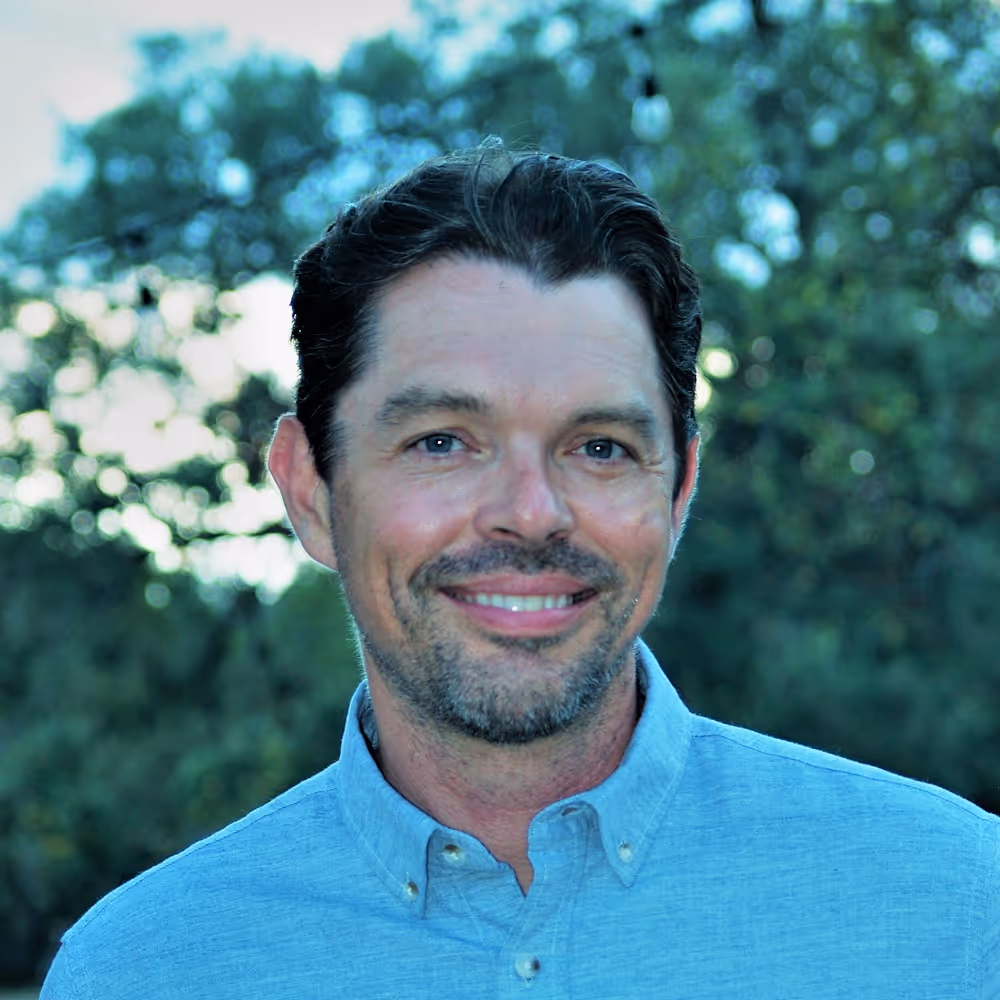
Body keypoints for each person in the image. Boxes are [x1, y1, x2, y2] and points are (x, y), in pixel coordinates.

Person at [41, 142, 998, 999]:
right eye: (443, 441)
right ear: (310, 491)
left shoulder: (963, 914)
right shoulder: (140, 972)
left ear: (679, 490)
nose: (532, 512)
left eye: (601, 448)